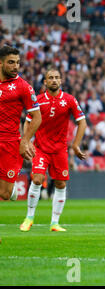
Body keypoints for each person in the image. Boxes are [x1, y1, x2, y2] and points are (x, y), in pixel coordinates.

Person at [20, 68, 87, 232]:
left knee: (60, 183)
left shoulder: (70, 100)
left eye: (57, 77)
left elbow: (82, 122)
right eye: (50, 78)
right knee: (37, 179)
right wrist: (27, 141)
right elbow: (28, 122)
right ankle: (29, 218)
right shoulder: (38, 100)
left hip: (59, 150)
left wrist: (75, 145)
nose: (54, 80)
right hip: (41, 148)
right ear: (45, 82)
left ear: (61, 80)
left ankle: (55, 223)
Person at [0, 45, 41, 202]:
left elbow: (37, 117)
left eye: (17, 62)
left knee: (4, 194)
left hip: (10, 143)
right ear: (1, 63)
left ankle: (10, 190)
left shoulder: (23, 87)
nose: (16, 66)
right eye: (11, 62)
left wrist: (25, 140)